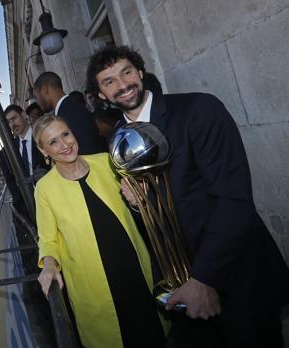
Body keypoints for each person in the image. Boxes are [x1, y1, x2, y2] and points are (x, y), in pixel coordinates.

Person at [86, 45, 289, 347]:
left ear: (140, 73)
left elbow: (233, 200)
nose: (123, 84)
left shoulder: (198, 109)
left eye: (126, 72)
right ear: (102, 95)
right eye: (109, 81)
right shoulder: (116, 140)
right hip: (183, 285)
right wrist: (138, 205)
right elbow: (159, 213)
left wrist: (205, 278)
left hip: (237, 274)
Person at [34, 114, 167, 348]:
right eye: (53, 142)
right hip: (94, 288)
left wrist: (137, 202)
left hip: (134, 270)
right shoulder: (44, 189)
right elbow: (48, 239)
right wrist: (50, 265)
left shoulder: (107, 161)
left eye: (65, 134)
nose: (64, 144)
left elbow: (141, 210)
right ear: (43, 150)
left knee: (151, 333)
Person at [33, 71, 106, 155]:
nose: (37, 102)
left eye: (36, 97)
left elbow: (87, 150)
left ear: (45, 90)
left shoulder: (70, 111)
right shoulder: (69, 107)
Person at [4, 104, 51, 181]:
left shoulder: (42, 136)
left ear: (23, 115)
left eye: (14, 118)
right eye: (9, 122)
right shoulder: (11, 148)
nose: (12, 124)